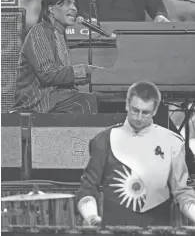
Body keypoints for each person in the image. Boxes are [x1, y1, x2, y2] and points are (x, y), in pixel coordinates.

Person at [77, 81, 195, 227]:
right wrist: (90, 215)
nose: (139, 117)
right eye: (134, 110)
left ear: (155, 111)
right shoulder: (104, 139)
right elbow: (88, 187)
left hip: (158, 229)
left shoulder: (172, 142)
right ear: (127, 105)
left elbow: (182, 192)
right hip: (114, 229)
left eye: (145, 112)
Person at [12, 0, 98, 114]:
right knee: (86, 101)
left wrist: (84, 77)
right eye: (67, 3)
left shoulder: (59, 34)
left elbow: (59, 75)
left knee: (96, 98)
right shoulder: (39, 31)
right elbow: (47, 74)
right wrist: (82, 71)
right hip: (37, 100)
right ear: (51, 9)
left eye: (74, 4)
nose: (74, 8)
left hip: (54, 95)